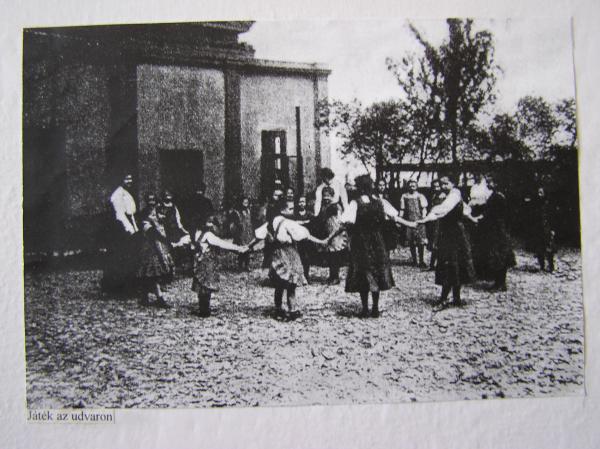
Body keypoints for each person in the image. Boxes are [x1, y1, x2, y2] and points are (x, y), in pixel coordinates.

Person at [340, 174, 416, 318]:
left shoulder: (355, 203)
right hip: (377, 242)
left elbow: (345, 222)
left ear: (360, 188)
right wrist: (410, 224)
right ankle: (375, 308)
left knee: (363, 273)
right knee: (376, 272)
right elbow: (395, 217)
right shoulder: (380, 201)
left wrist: (332, 237)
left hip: (361, 242)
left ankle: (365, 309)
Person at [250, 199, 328, 320]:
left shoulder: (270, 223)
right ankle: (292, 309)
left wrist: (247, 247)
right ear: (282, 210)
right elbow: (305, 235)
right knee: (292, 283)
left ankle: (278, 308)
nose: (292, 211)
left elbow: (258, 236)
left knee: (280, 283)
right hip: (290, 254)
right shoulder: (288, 223)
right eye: (290, 209)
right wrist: (322, 241)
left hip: (277, 254)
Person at [418, 174, 478, 309]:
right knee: (453, 264)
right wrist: (473, 219)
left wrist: (425, 219)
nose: (443, 186)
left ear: (453, 183)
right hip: (449, 233)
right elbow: (466, 211)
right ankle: (456, 297)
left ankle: (444, 299)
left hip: (454, 234)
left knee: (450, 264)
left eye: (446, 183)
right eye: (442, 184)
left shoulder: (454, 195)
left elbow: (443, 210)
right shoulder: (451, 195)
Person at [191, 215, 248, 317]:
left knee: (201, 285)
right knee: (207, 286)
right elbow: (222, 244)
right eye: (209, 222)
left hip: (199, 262)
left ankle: (202, 308)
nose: (211, 225)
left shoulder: (196, 233)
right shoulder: (208, 235)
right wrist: (239, 248)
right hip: (208, 263)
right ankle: (205, 311)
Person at [474, 175, 516, 290]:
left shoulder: (498, 196)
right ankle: (499, 282)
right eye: (487, 182)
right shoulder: (495, 195)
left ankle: (500, 283)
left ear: (496, 183)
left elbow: (495, 213)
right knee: (498, 256)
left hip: (497, 230)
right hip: (495, 228)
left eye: (490, 182)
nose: (488, 184)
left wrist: (481, 218)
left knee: (499, 256)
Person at [101, 173, 140, 296]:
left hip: (128, 227)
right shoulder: (117, 195)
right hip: (120, 230)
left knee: (128, 259)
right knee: (120, 259)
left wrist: (135, 229)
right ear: (121, 180)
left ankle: (127, 287)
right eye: (127, 179)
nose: (130, 181)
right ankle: (115, 289)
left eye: (131, 178)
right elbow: (120, 215)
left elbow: (131, 215)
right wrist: (130, 230)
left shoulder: (126, 193)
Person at [136, 193, 175, 308]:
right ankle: (159, 298)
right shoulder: (144, 216)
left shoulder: (158, 214)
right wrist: (163, 239)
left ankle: (144, 297)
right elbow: (151, 233)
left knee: (150, 273)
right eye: (150, 200)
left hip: (157, 247)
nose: (152, 202)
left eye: (153, 200)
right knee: (152, 273)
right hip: (149, 247)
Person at [316, 186, 347, 285]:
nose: (326, 199)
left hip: (336, 234)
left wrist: (333, 234)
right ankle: (331, 276)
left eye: (328, 196)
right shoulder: (323, 207)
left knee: (335, 256)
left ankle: (335, 277)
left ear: (332, 196)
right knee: (330, 255)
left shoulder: (336, 207)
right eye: (324, 196)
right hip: (328, 234)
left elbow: (340, 222)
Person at [400, 180, 429, 267]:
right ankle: (414, 260)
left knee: (421, 242)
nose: (412, 187)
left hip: (419, 221)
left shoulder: (420, 196)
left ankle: (421, 260)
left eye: (414, 186)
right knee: (411, 242)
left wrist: (423, 218)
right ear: (408, 187)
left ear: (416, 186)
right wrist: (400, 218)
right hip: (409, 221)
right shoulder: (404, 196)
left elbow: (424, 208)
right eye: (410, 186)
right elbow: (402, 209)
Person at [530, 186, 557, 272]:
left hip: (547, 229)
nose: (539, 194)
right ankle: (542, 265)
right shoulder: (536, 204)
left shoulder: (548, 204)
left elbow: (552, 217)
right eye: (538, 192)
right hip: (538, 229)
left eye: (541, 193)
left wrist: (552, 229)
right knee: (539, 248)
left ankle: (551, 266)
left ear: (544, 193)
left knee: (549, 248)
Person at [374, 179, 400, 254]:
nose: (382, 187)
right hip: (378, 221)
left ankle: (387, 256)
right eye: (380, 185)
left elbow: (393, 207)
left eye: (383, 185)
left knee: (387, 240)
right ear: (377, 186)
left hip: (388, 221)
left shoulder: (389, 195)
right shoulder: (374, 196)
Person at [230, 196, 255, 271]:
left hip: (248, 233)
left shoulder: (249, 210)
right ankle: (240, 265)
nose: (246, 204)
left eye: (247, 202)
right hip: (240, 233)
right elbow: (234, 223)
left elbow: (251, 220)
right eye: (244, 202)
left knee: (248, 248)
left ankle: (247, 265)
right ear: (241, 203)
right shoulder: (236, 212)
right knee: (241, 249)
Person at [426, 179, 446, 270]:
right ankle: (432, 264)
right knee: (434, 241)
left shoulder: (444, 196)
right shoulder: (434, 196)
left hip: (441, 221)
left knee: (439, 242)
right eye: (434, 187)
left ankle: (440, 264)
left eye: (438, 186)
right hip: (434, 221)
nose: (436, 188)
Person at [294, 195, 314, 280]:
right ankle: (298, 276)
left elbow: (312, 224)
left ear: (306, 203)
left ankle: (306, 275)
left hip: (306, 240)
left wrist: (302, 223)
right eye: (300, 202)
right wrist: (304, 222)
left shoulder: (309, 214)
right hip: (297, 239)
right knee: (298, 256)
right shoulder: (295, 214)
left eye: (303, 202)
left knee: (306, 257)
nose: (301, 204)